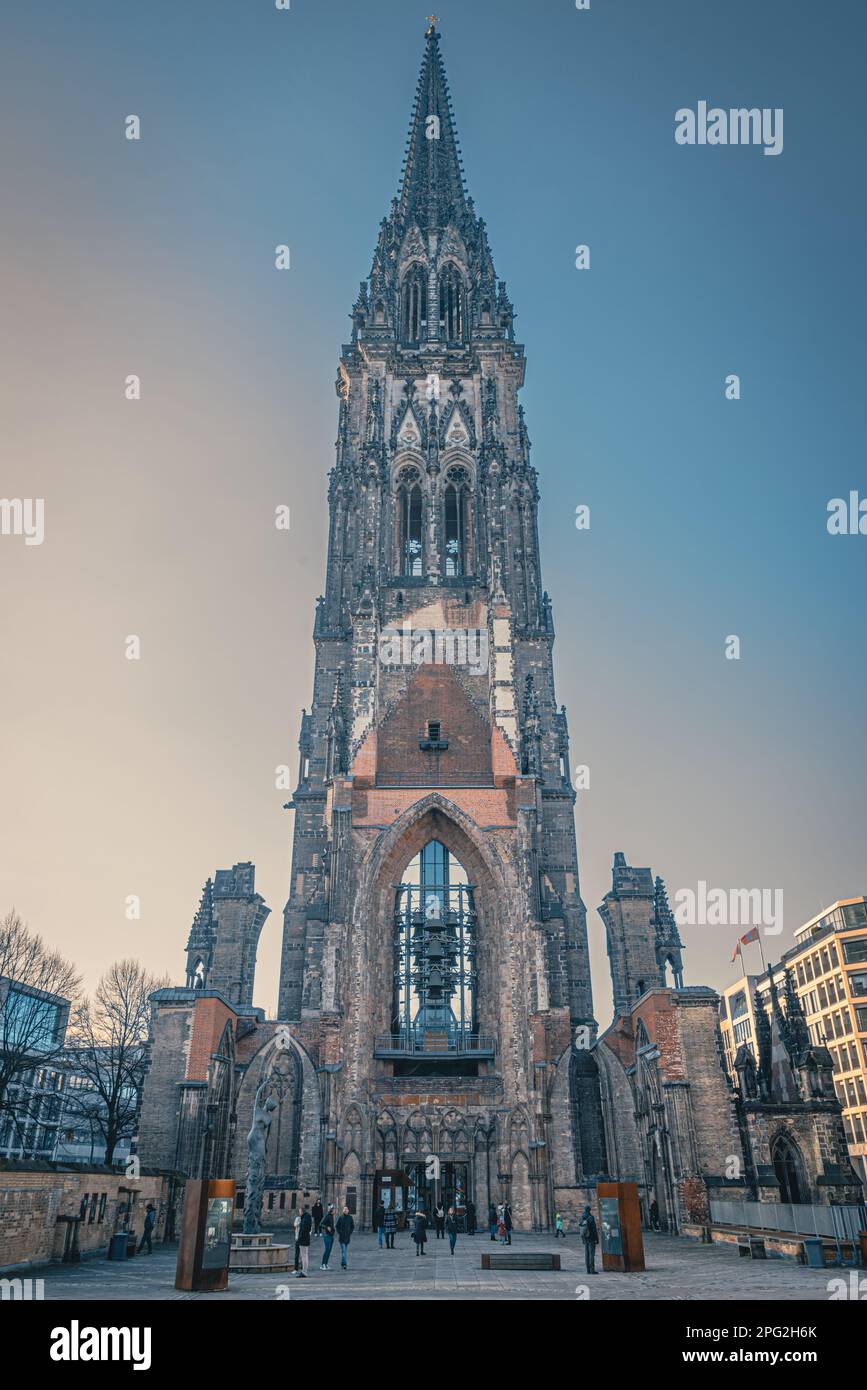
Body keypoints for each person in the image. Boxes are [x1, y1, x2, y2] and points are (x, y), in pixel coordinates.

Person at [578, 1204, 598, 1274]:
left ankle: (588, 1269)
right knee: (591, 1254)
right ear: (589, 1210)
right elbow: (594, 1229)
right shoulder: (590, 1217)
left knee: (587, 1254)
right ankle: (592, 1269)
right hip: (591, 1237)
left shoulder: (582, 1217)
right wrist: (596, 1238)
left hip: (585, 1237)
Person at [296, 1203, 312, 1278]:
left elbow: (303, 1229)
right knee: (305, 1255)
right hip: (306, 1238)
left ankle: (304, 1272)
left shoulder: (305, 1218)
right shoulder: (307, 1217)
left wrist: (299, 1239)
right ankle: (304, 1271)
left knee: (304, 1256)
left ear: (302, 1211)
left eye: (299, 1211)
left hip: (303, 1239)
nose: (299, 1213)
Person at [320, 1204, 336, 1270]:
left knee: (329, 1250)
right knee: (327, 1250)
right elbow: (321, 1224)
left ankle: (326, 1264)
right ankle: (322, 1264)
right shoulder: (327, 1216)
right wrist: (327, 1227)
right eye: (334, 1209)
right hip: (327, 1235)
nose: (335, 1210)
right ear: (332, 1210)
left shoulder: (332, 1216)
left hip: (331, 1235)